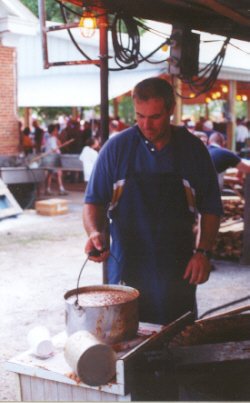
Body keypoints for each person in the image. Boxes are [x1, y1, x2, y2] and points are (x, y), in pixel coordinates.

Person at [83, 77, 222, 325]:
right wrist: (95, 232)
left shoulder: (193, 150)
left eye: (155, 116)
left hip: (178, 265)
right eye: (140, 116)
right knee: (126, 336)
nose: (146, 124)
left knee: (177, 337)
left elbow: (211, 208)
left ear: (170, 110)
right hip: (126, 263)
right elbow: (93, 201)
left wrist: (203, 252)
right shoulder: (116, 149)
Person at [42, 123, 68, 196]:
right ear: (53, 131)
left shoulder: (50, 139)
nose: (57, 132)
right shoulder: (53, 139)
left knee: (50, 174)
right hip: (53, 158)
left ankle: (48, 189)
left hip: (50, 158)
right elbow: (54, 149)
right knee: (59, 173)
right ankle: (60, 189)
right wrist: (59, 150)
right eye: (56, 130)